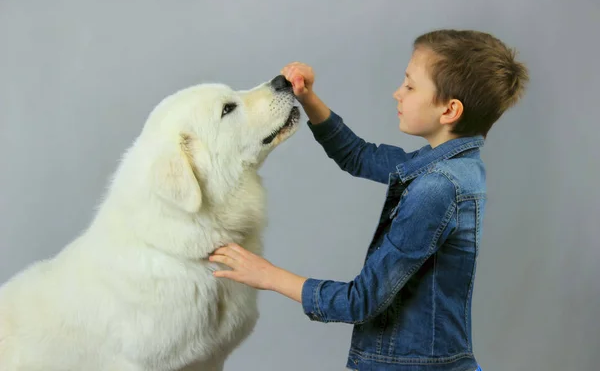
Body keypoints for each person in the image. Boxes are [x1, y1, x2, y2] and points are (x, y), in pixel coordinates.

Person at [208, 29, 529, 371]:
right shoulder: (453, 167)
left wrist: (268, 275)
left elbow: (360, 301)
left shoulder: (438, 187)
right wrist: (307, 98)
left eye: (410, 85)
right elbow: (359, 156)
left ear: (449, 111)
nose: (397, 93)